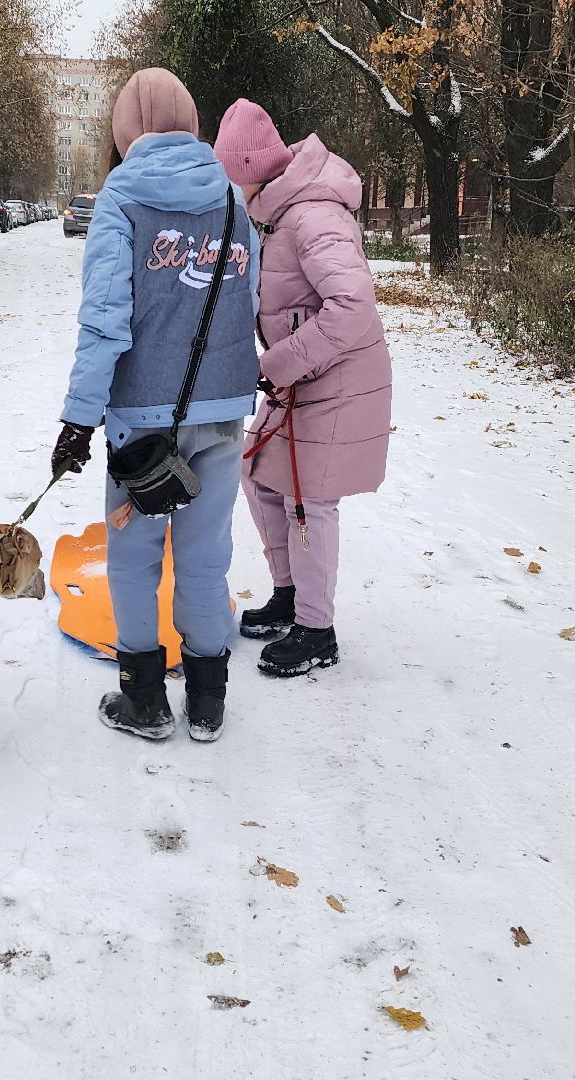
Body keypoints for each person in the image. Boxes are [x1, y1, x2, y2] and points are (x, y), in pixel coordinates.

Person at [51, 69, 260, 742]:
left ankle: (145, 702)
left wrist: (79, 419)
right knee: (206, 556)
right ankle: (207, 702)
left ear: (124, 131)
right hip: (224, 409)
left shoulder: (121, 200)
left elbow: (104, 319)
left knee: (134, 558)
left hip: (143, 421)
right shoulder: (231, 200)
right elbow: (246, 302)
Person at [212, 99, 392, 678]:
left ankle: (318, 630)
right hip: (303, 375)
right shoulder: (276, 209)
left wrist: (282, 360)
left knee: (307, 499)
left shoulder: (312, 212)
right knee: (257, 471)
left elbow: (352, 304)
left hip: (338, 377)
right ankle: (290, 594)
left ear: (250, 167)